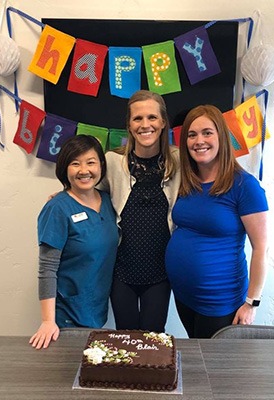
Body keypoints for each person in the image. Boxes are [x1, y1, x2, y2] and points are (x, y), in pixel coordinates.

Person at [165, 105, 269, 339]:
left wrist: (251, 303)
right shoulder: (188, 181)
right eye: (192, 135)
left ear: (221, 136)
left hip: (219, 301)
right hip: (184, 295)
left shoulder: (244, 185)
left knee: (213, 370)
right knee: (196, 352)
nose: (199, 141)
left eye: (207, 132)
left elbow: (261, 247)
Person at [99, 90, 180, 332]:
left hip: (160, 270)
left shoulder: (180, 160)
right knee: (125, 335)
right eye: (138, 119)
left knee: (154, 337)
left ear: (163, 122)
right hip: (121, 269)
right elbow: (88, 191)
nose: (145, 125)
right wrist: (64, 196)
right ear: (129, 125)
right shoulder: (112, 161)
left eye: (152, 118)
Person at [29, 135, 119, 349]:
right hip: (67, 317)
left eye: (91, 162)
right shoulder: (57, 209)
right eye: (75, 163)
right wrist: (48, 321)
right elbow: (47, 269)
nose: (84, 170)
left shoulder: (108, 201)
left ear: (101, 166)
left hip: (97, 311)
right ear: (64, 168)